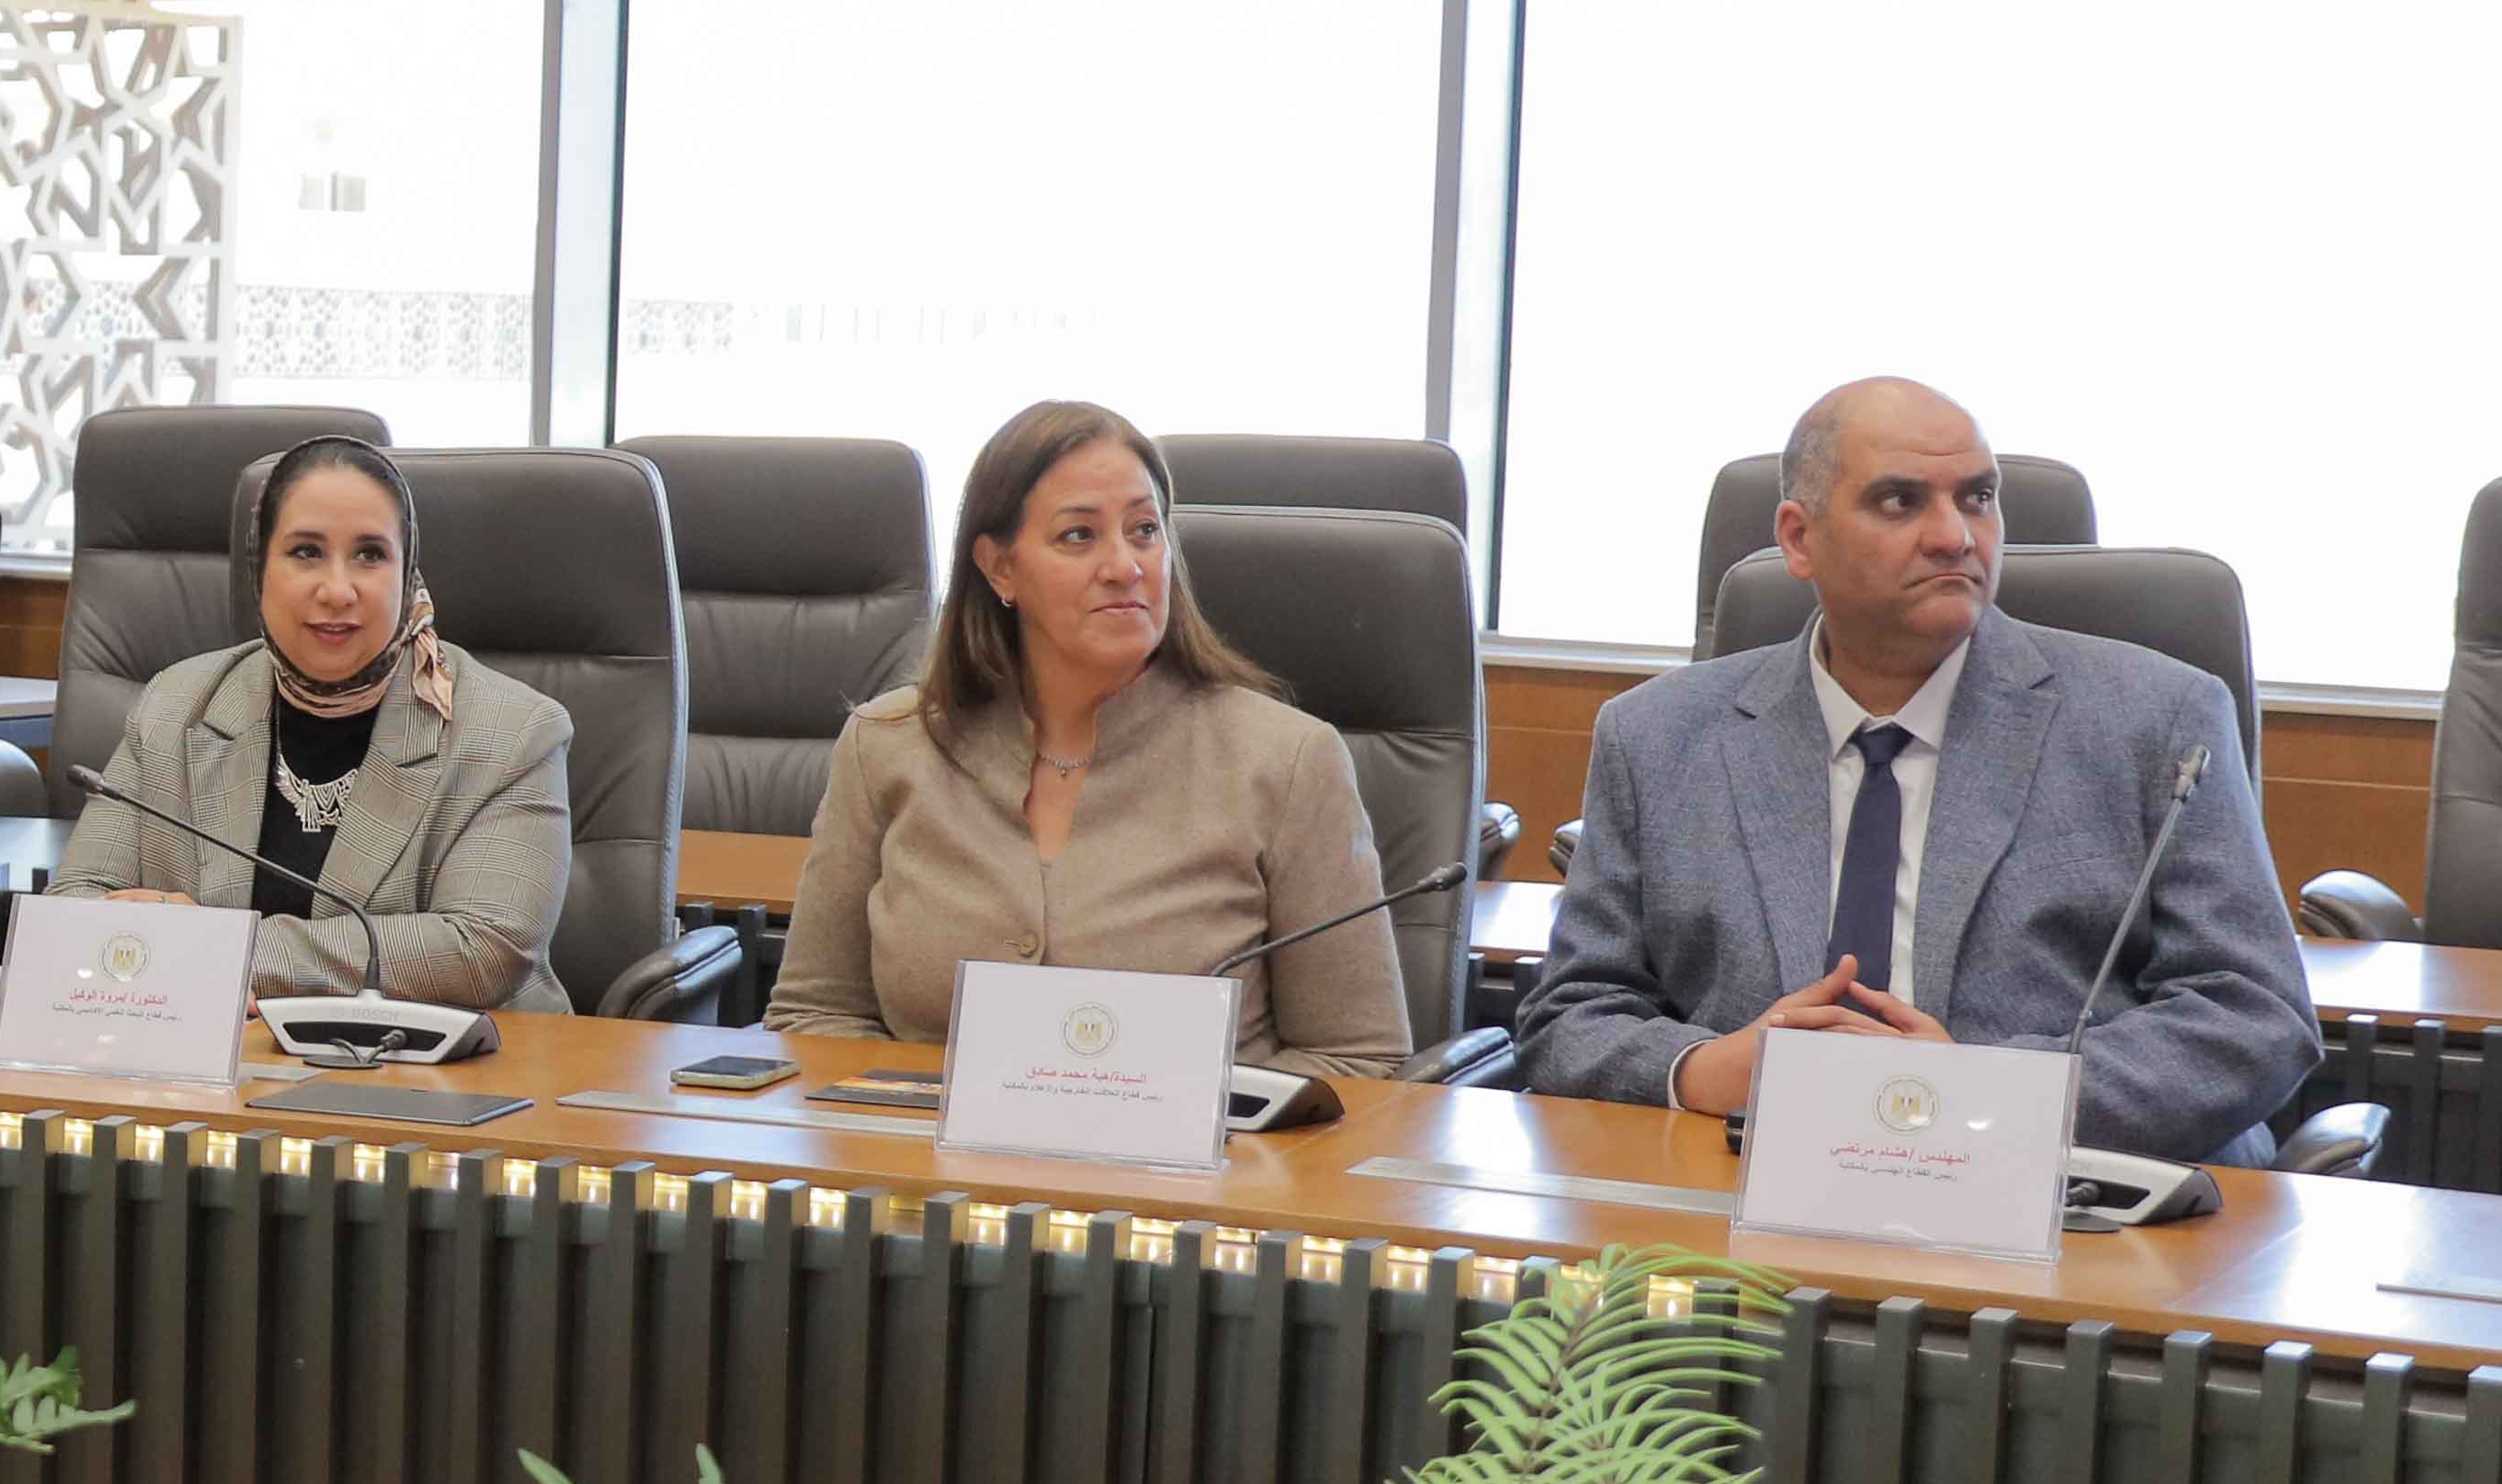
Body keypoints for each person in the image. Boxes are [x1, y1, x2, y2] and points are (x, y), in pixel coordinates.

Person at [1516, 375, 2309, 1164]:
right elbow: (1571, 1016)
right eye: (1900, 500)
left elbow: (2254, 1015)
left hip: (2061, 1196)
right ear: (1799, 538)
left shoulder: (2156, 718)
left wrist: (1981, 1092)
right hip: (1738, 1191)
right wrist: (1703, 1069)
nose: (1955, 536)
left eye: (1978, 498)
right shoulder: (1657, 735)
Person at [766, 403, 1411, 1072]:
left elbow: (1358, 1058)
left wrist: (1205, 1120)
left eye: (1144, 530)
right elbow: (812, 1016)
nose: (1125, 566)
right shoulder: (888, 745)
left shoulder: (1288, 761)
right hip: (926, 1141)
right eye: (1079, 535)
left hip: (1203, 1143)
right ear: (999, 567)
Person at [51, 430, 574, 1007]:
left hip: (449, 1061)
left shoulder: (513, 731)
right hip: (224, 1058)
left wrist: (223, 951)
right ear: (260, 569)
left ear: (407, 574)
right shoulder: (177, 707)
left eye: (370, 554)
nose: (337, 590)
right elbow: (74, 908)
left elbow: (483, 949)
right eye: (306, 552)